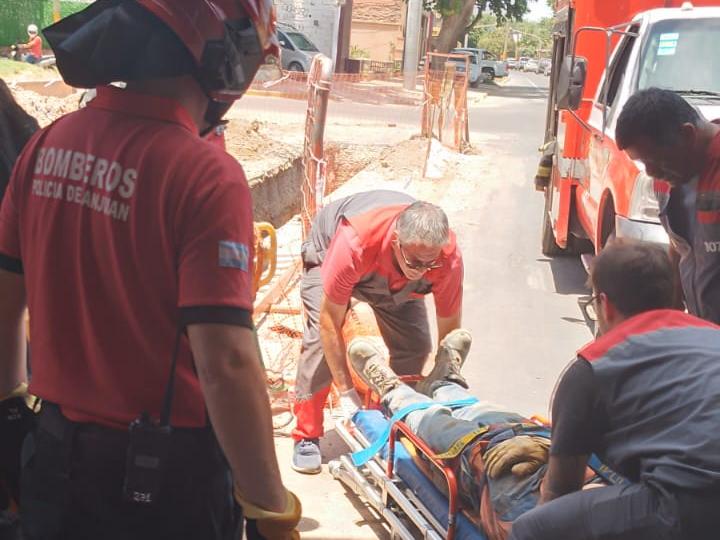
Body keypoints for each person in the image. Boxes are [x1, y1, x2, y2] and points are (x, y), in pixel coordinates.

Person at [0, 2, 301, 539]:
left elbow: (3, 306)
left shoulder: (46, 146)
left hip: (52, 465)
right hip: (161, 486)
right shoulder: (206, 176)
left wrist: (9, 414)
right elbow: (227, 364)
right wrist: (269, 510)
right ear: (224, 57)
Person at [510, 240, 720, 540]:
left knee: (532, 528)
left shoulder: (593, 367)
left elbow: (559, 490)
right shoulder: (712, 336)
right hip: (690, 493)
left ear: (604, 304)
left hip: (690, 506)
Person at [292, 190, 464, 474]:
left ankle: (391, 415)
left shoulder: (445, 257)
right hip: (332, 253)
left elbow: (449, 336)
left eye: (430, 263)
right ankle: (306, 434)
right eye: (416, 263)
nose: (423, 272)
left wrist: (443, 386)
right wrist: (347, 393)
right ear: (397, 242)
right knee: (320, 344)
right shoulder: (354, 241)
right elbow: (328, 322)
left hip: (390, 275)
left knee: (416, 346)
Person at [348, 329, 556, 540]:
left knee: (431, 420)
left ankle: (392, 390)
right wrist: (550, 447)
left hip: (485, 465)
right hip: (533, 438)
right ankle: (445, 383)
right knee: (482, 410)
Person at [616, 87, 720, 324]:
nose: (651, 172)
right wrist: (670, 315)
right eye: (643, 162)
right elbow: (680, 245)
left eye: (655, 160)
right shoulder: (667, 181)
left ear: (687, 135)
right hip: (703, 335)